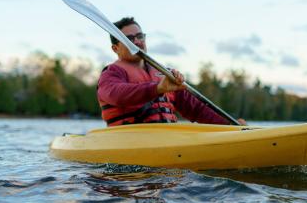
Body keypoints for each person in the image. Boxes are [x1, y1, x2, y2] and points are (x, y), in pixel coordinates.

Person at [97, 17, 245, 126]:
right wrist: (157, 88)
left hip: (167, 137)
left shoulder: (163, 73)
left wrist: (230, 124)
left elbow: (197, 109)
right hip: (130, 139)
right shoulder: (111, 73)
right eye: (128, 39)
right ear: (115, 48)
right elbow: (116, 95)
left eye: (139, 36)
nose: (136, 42)